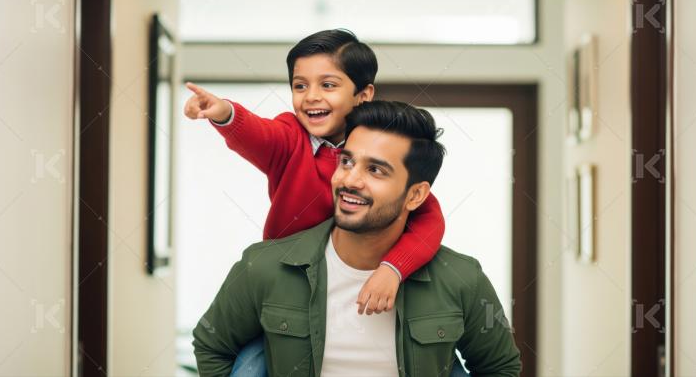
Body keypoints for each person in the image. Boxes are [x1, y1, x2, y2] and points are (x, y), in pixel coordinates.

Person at [193, 101, 521, 377]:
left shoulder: (461, 279)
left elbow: (500, 367)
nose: (350, 180)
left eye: (376, 171)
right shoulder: (262, 267)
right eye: (347, 161)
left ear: (416, 195)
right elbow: (212, 346)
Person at [183, 30, 445, 318]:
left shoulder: (380, 152)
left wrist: (392, 269)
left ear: (363, 95)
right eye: (300, 86)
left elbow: (429, 223)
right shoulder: (289, 138)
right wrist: (224, 112)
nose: (311, 97)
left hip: (354, 286)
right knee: (253, 362)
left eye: (328, 85)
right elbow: (258, 133)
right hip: (288, 288)